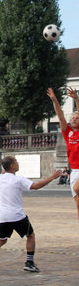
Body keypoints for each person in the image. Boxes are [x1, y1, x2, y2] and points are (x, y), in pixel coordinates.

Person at [0, 156, 61, 273]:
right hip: (17, 215)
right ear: (12, 166)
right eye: (16, 162)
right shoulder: (18, 180)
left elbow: (4, 170)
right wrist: (52, 177)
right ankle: (29, 263)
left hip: (3, 216)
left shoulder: (1, 178)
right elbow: (36, 186)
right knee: (31, 236)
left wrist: (6, 164)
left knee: (2, 239)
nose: (18, 164)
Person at [48, 87, 79, 218]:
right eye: (73, 117)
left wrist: (76, 99)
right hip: (74, 171)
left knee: (77, 188)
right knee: (78, 204)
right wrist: (55, 100)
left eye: (77, 117)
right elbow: (60, 116)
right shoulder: (68, 133)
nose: (74, 119)